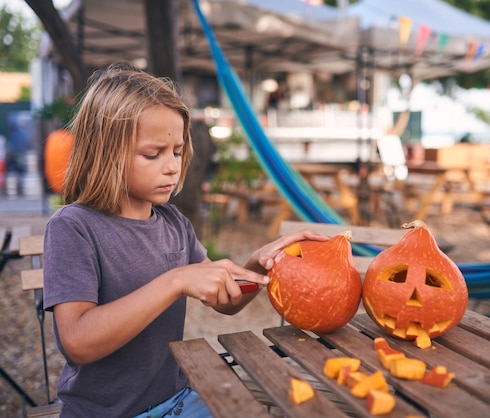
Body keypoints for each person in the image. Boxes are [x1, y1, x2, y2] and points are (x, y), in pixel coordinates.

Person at [42, 63, 327, 417]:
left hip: (178, 400)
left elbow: (224, 301)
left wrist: (258, 265)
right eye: (153, 154)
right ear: (106, 151)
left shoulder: (173, 222)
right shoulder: (74, 228)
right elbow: (79, 342)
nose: (172, 166)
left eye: (176, 152)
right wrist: (176, 281)